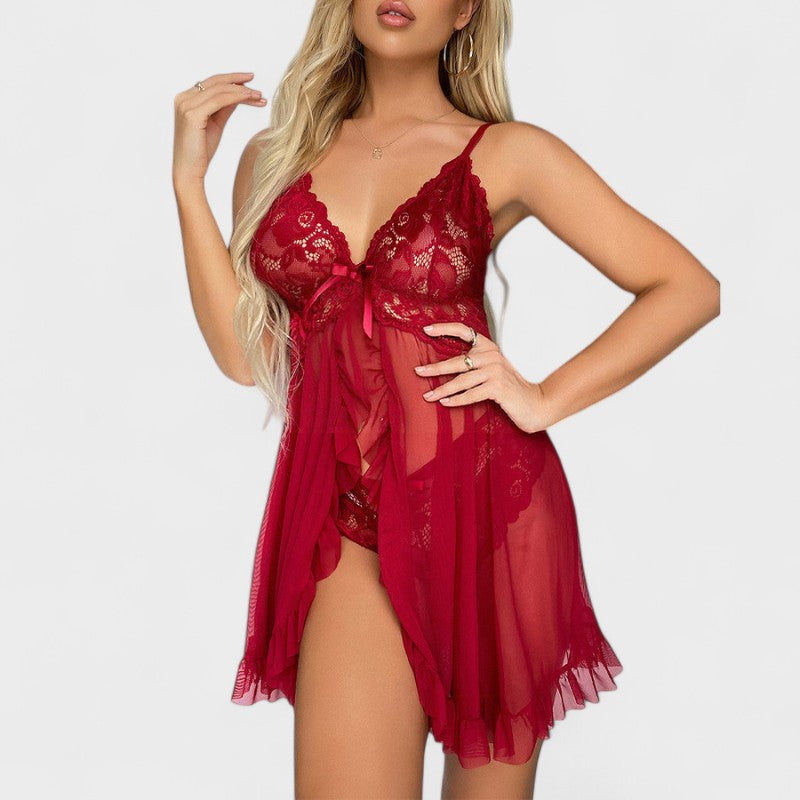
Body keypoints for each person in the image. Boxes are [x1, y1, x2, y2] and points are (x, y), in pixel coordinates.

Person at [172, 1, 720, 797]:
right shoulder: (273, 157)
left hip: (485, 512)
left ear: (466, 11)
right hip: (344, 523)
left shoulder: (510, 154)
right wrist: (188, 183)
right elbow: (240, 356)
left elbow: (686, 287)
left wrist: (542, 397)